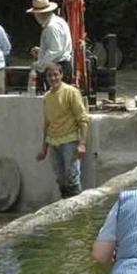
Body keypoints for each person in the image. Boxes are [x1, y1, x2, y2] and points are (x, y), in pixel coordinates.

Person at [35, 62, 88, 198]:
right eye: (49, 76)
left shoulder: (71, 92)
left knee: (72, 178)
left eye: (55, 75)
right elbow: (47, 124)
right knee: (60, 179)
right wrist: (44, 149)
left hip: (69, 140)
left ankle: (78, 211)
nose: (53, 78)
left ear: (61, 75)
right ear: (46, 78)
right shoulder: (47, 97)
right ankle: (65, 208)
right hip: (53, 142)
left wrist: (82, 144)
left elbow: (82, 119)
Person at [26, 0, 73, 91]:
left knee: (56, 100)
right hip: (62, 64)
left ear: (39, 14)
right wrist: (41, 51)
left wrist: (39, 64)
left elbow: (55, 50)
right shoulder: (59, 21)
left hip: (57, 67)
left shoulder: (51, 27)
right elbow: (59, 46)